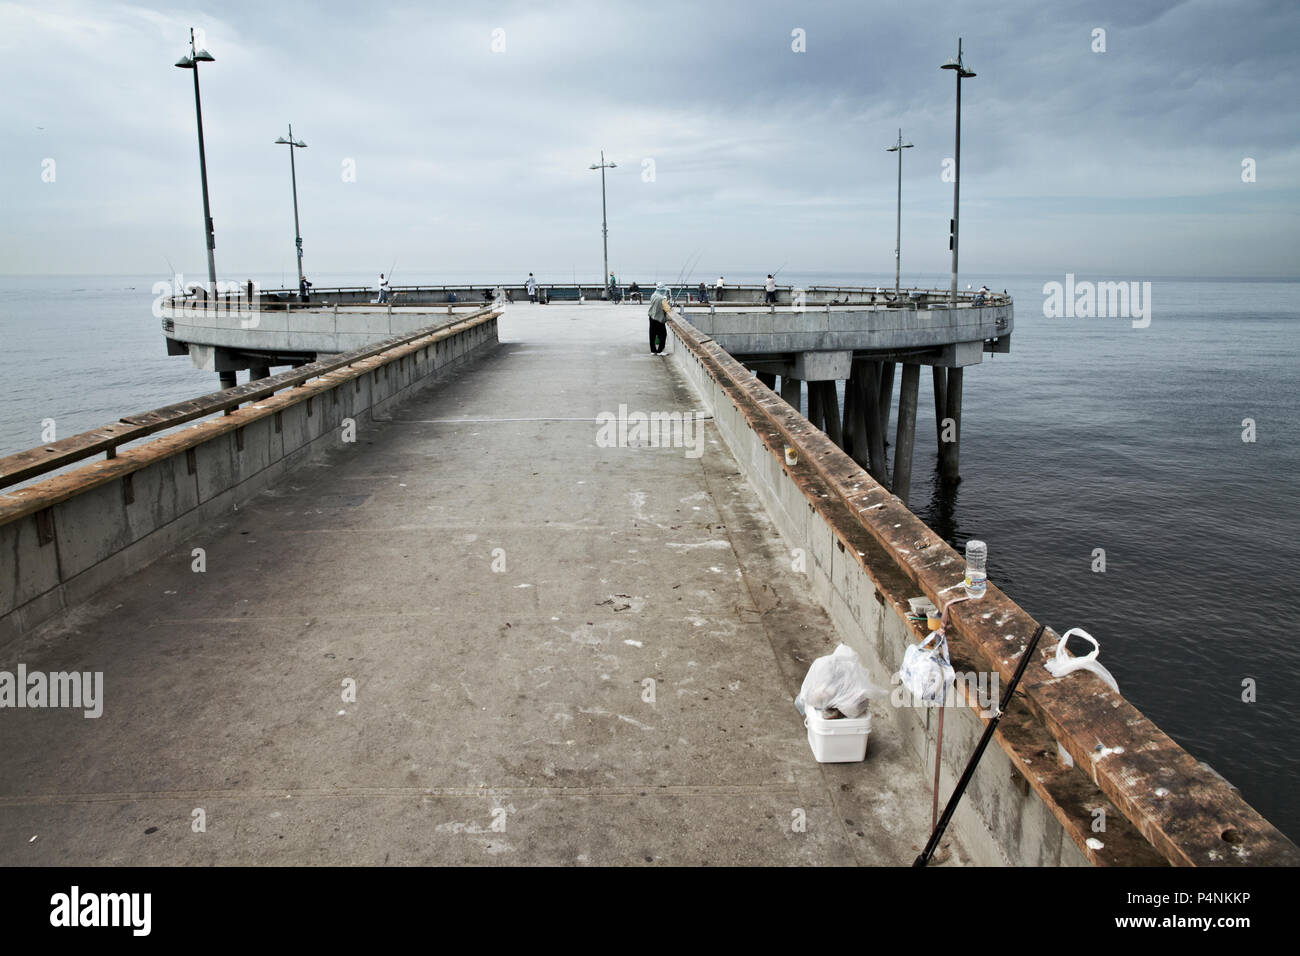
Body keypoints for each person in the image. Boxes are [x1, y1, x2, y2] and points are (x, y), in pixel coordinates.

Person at [647, 283, 671, 354]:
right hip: (659, 319)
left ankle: (653, 351)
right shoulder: (662, 299)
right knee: (663, 335)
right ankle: (660, 351)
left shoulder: (653, 295)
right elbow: (667, 309)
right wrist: (668, 304)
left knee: (652, 335)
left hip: (651, 317)